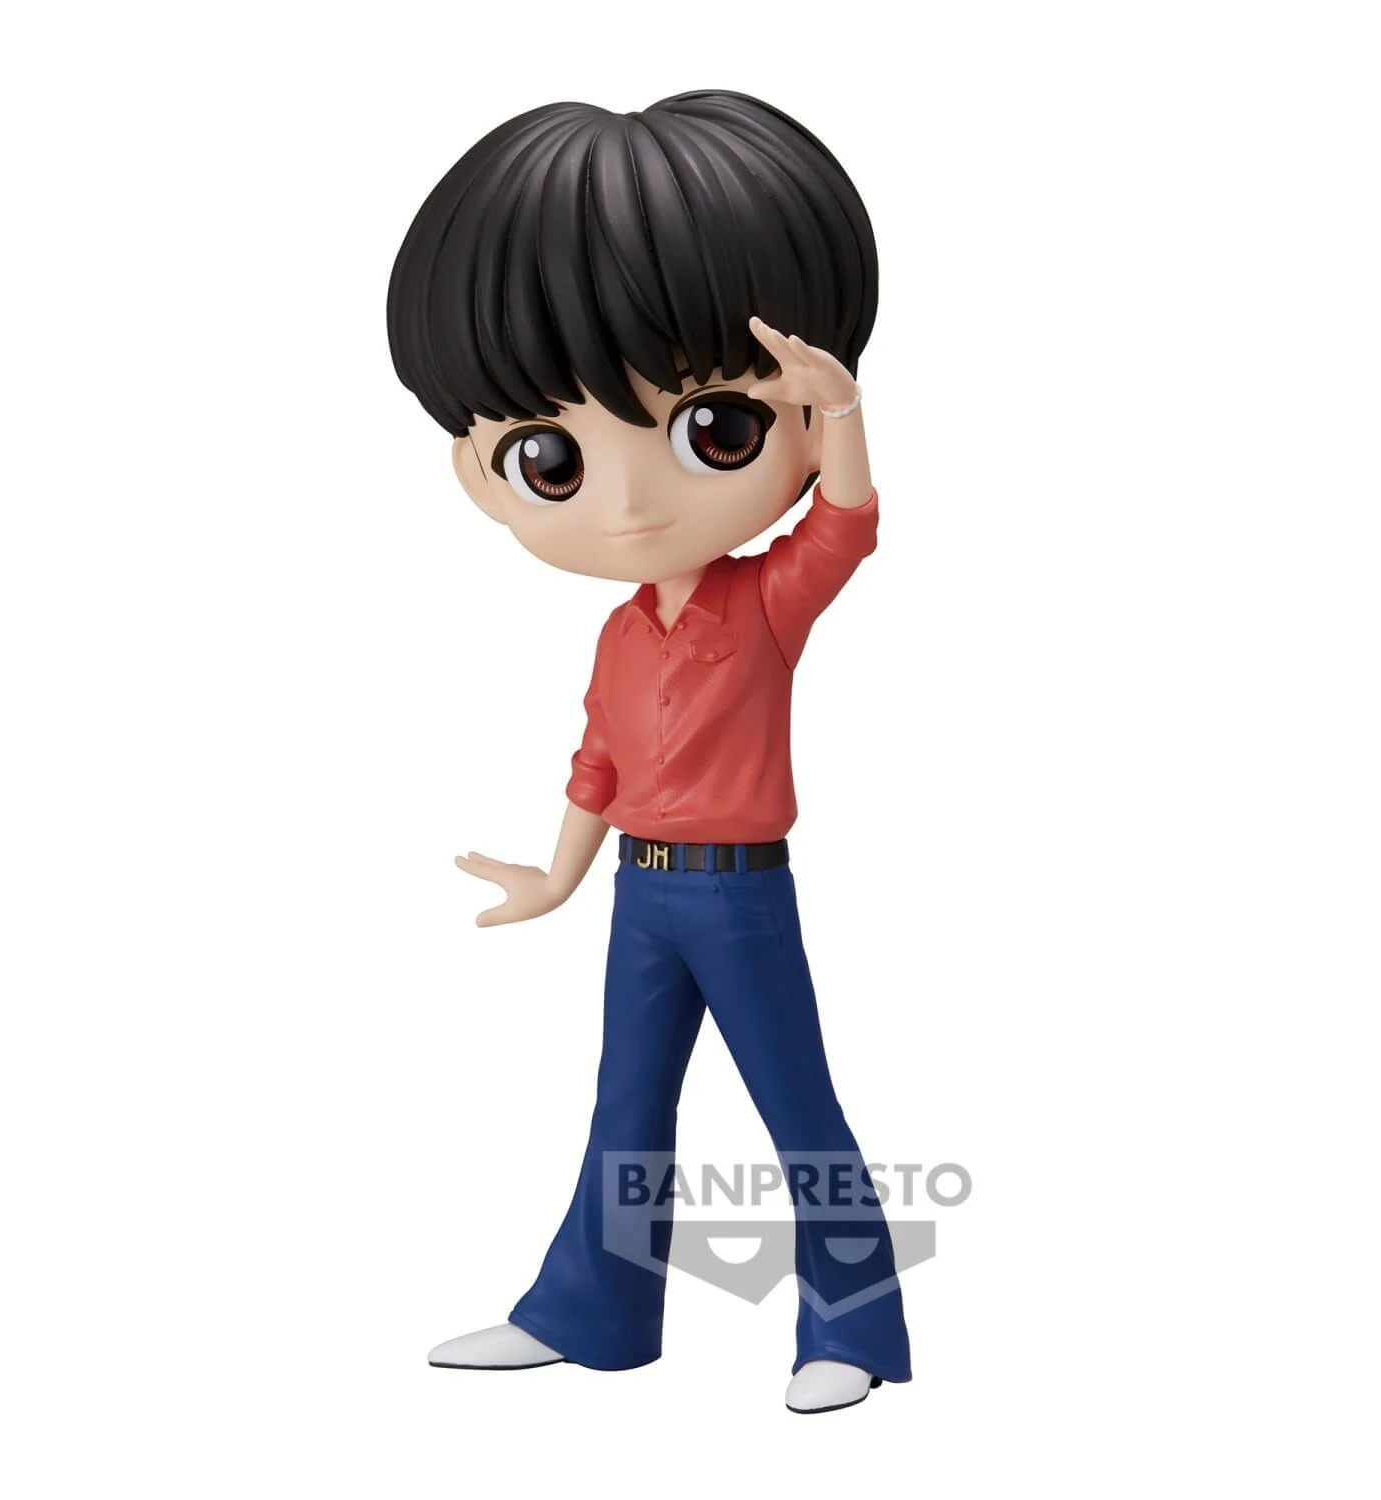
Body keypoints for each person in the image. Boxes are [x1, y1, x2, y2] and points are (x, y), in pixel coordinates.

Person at [387, 90, 911, 1414]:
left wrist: (844, 412)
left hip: (739, 893)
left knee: (799, 1110)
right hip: (641, 894)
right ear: (479, 473)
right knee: (625, 1111)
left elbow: (845, 529)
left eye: (712, 428)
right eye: (551, 454)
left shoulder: (766, 600)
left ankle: (852, 1334)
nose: (626, 505)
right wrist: (557, 878)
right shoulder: (621, 634)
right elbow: (597, 767)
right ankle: (590, 1314)